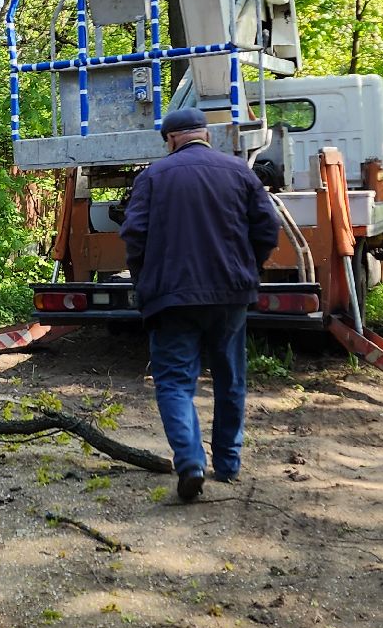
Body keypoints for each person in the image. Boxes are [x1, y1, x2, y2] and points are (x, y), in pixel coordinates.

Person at [120, 106, 280, 503]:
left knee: (174, 381)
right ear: (205, 135)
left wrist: (144, 281)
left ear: (172, 139)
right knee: (230, 377)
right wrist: (249, 266)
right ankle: (227, 463)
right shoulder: (239, 171)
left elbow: (134, 235)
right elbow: (268, 227)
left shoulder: (152, 177)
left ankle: (191, 462)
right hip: (230, 294)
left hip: (171, 297)